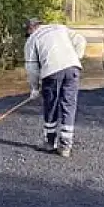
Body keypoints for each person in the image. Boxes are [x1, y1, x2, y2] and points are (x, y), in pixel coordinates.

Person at [23, 18, 86, 157]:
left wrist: (34, 88)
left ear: (30, 29)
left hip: (51, 72)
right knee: (68, 105)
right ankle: (65, 146)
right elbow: (81, 40)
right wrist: (76, 58)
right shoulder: (60, 27)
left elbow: (32, 68)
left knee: (51, 106)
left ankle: (50, 142)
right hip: (72, 68)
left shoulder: (32, 40)